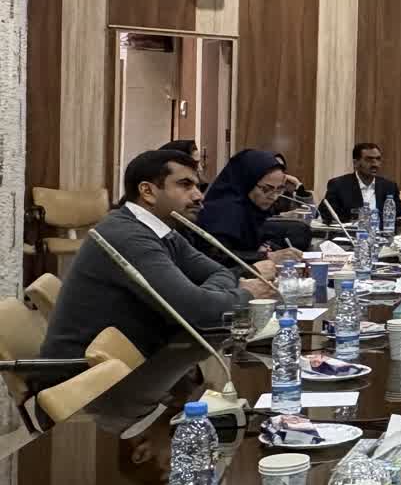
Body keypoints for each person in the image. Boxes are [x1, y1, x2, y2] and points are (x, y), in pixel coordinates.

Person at [39, 149, 270, 431]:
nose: (199, 196)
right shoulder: (128, 236)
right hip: (94, 386)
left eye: (197, 186)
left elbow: (218, 275)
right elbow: (200, 312)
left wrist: (208, 295)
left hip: (133, 362)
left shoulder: (161, 229)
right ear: (148, 191)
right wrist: (246, 295)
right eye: (185, 185)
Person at [196, 148, 301, 264]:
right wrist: (266, 256)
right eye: (266, 189)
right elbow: (217, 257)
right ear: (247, 182)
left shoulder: (252, 208)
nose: (274, 197)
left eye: (279, 189)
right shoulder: (223, 211)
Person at [324, 142, 401, 224]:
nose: (375, 164)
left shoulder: (388, 187)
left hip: (383, 234)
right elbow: (326, 215)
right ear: (355, 163)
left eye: (378, 159)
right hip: (351, 233)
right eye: (369, 159)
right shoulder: (339, 185)